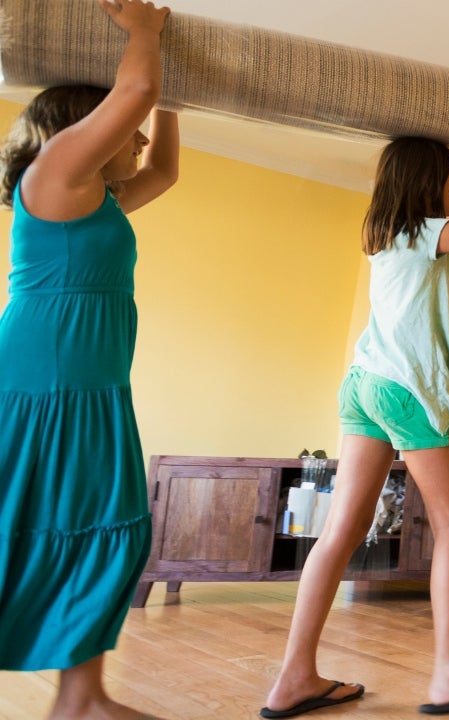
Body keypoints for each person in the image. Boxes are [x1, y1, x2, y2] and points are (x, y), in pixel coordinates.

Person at [262, 113, 449, 718]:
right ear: (427, 188)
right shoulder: (426, 233)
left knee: (340, 530)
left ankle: (293, 678)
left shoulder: (386, 232)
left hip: (363, 384)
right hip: (409, 389)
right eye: (443, 183)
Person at [0, 1, 179, 718]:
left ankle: (83, 699)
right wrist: (145, 33)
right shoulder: (52, 178)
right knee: (29, 525)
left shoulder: (94, 200)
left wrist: (180, 93)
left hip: (95, 387)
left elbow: (163, 168)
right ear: (83, 128)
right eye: (122, 126)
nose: (135, 133)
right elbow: (134, 92)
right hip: (43, 387)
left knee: (108, 532)